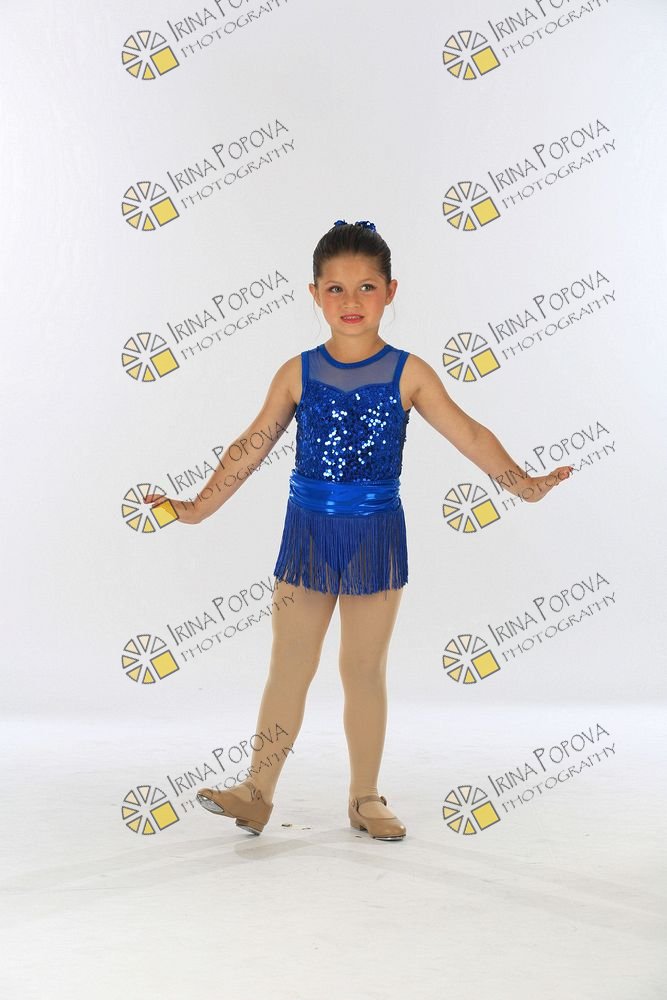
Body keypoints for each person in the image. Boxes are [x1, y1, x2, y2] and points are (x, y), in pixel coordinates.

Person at [145, 219, 574, 841]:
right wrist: (196, 507)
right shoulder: (297, 372)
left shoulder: (409, 372)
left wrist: (523, 484)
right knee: (289, 665)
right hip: (308, 536)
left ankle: (365, 796)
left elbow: (471, 435)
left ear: (390, 291)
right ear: (314, 294)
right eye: (336, 289)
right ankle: (257, 792)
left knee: (362, 669)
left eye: (367, 287)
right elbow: (251, 445)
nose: (352, 301)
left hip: (375, 538)